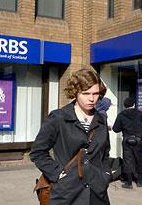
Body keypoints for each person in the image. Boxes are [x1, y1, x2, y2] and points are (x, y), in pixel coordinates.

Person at [30, 69, 112, 205]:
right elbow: (38, 152)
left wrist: (105, 176)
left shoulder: (101, 119)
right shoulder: (58, 118)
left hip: (97, 192)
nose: (92, 99)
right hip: (67, 193)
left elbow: (105, 153)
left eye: (95, 93)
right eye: (86, 93)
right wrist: (57, 174)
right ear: (75, 92)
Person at [112, 97, 142, 189]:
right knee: (139, 159)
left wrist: (123, 127)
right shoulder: (139, 113)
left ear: (125, 106)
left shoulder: (121, 115)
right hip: (138, 140)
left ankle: (129, 183)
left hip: (126, 140)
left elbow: (115, 129)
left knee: (127, 161)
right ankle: (139, 181)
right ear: (133, 105)